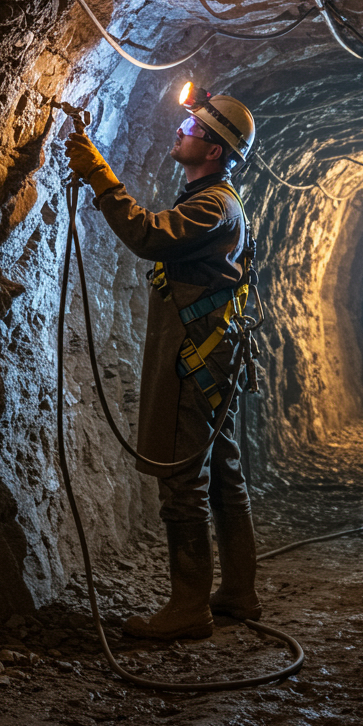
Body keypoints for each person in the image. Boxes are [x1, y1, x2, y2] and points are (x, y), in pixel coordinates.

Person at [63, 84, 261, 641]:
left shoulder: (213, 205)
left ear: (216, 151)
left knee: (182, 480)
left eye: (194, 129)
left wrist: (101, 176)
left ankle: (189, 606)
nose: (181, 131)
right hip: (209, 359)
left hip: (192, 364)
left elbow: (148, 236)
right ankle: (239, 593)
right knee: (221, 472)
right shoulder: (215, 202)